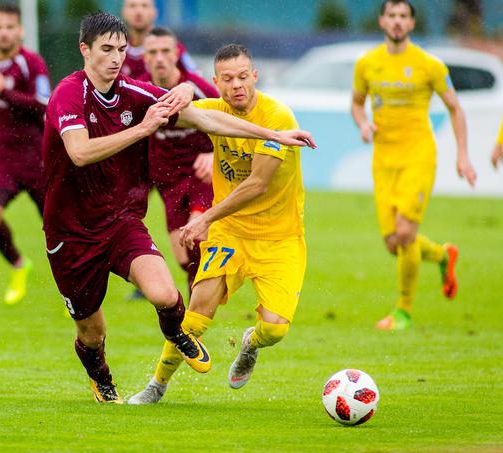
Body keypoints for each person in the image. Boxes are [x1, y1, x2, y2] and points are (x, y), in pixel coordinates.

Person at [42, 13, 315, 403]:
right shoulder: (68, 94)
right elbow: (80, 152)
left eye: (121, 49)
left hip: (120, 220)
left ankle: (171, 354)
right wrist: (143, 128)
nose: (116, 58)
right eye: (106, 49)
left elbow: (207, 118)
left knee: (167, 295)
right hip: (69, 231)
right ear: (85, 50)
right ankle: (102, 378)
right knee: (91, 332)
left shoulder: (133, 92)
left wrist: (273, 135)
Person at [129, 43, 311, 404]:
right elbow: (167, 113)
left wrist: (205, 219)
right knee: (195, 316)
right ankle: (157, 385)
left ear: (255, 76)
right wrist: (182, 90)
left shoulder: (278, 118)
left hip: (280, 239)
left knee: (274, 328)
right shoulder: (213, 110)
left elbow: (256, 185)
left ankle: (250, 344)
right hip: (231, 233)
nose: (237, 85)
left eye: (243, 76)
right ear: (215, 82)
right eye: (227, 79)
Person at [351, 0, 477, 330]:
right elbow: (356, 103)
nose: (396, 21)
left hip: (418, 154)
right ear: (381, 21)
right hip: (383, 158)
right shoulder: (367, 64)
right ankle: (442, 254)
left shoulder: (429, 65)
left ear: (411, 24)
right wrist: (363, 124)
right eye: (391, 15)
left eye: (403, 16)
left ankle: (403, 311)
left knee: (406, 233)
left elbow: (456, 109)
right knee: (394, 243)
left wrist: (462, 156)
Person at [0, 3, 51, 305]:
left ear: (20, 30)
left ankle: (79, 294)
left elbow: (44, 104)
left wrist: (3, 93)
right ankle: (19, 265)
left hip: (37, 160)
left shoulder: (31, 63)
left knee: (59, 232)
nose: (4, 33)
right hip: (2, 160)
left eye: (10, 27)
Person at [139, 27, 218, 292]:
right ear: (145, 58)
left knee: (196, 235)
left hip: (201, 175)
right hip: (167, 180)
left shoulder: (197, 87)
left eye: (165, 51)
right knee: (184, 257)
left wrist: (214, 153)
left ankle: (194, 318)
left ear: (176, 54)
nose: (159, 57)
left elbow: (229, 123)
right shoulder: (138, 90)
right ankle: (204, 293)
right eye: (153, 52)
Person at [120, 0, 196, 78]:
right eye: (132, 6)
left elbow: (196, 78)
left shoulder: (171, 48)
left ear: (155, 12)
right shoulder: (116, 49)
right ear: (123, 12)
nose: (139, 12)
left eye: (144, 6)